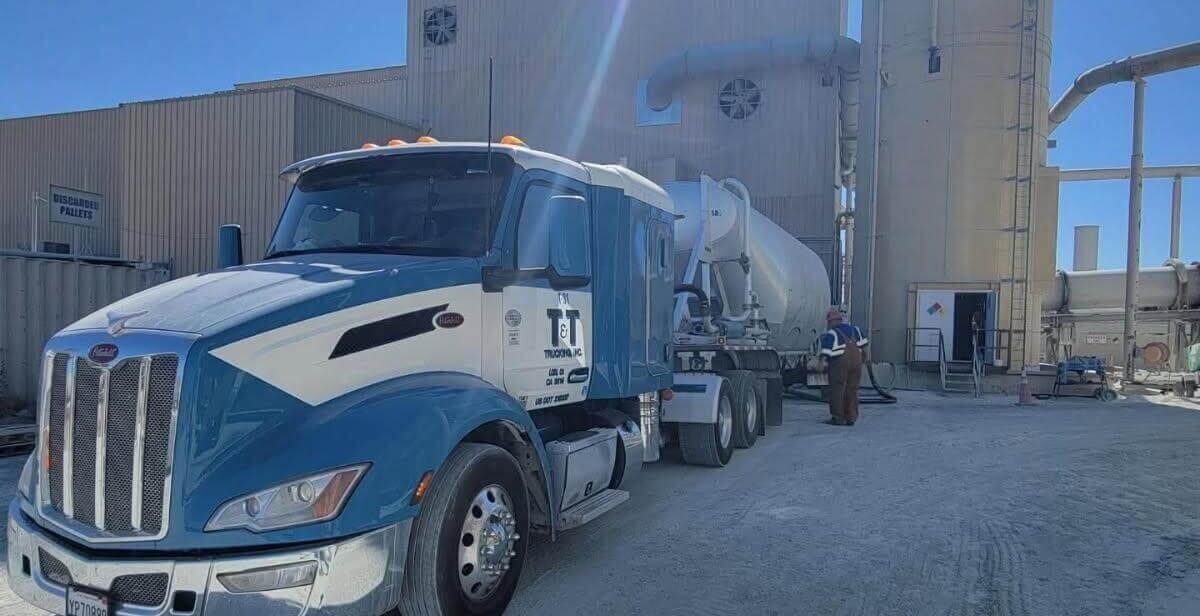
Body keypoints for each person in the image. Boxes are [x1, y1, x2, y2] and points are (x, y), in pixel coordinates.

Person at [818, 309, 869, 426]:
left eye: (828, 323)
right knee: (852, 389)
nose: (828, 325)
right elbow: (865, 346)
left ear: (831, 322)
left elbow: (825, 352)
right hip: (856, 364)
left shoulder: (832, 334)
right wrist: (865, 359)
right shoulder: (855, 329)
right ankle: (851, 417)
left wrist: (820, 365)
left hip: (839, 364)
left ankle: (838, 418)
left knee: (837, 389)